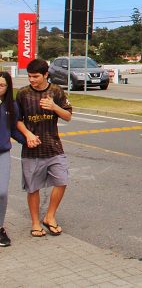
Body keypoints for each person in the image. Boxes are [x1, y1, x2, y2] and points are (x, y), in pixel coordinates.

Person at [16, 59, 73, 238]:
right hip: (32, 149)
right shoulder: (23, 94)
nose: (32, 80)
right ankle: (35, 223)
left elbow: (68, 116)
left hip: (54, 147)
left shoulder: (56, 92)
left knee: (62, 181)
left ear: (46, 75)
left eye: (36, 76)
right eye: (29, 76)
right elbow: (17, 120)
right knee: (33, 188)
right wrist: (27, 135)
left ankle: (50, 216)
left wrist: (54, 107)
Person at [1, 72, 28, 247]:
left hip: (2, 153)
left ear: (8, 87)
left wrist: (29, 140)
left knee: (1, 192)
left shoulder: (11, 106)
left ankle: (0, 228)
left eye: (2, 85)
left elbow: (13, 130)